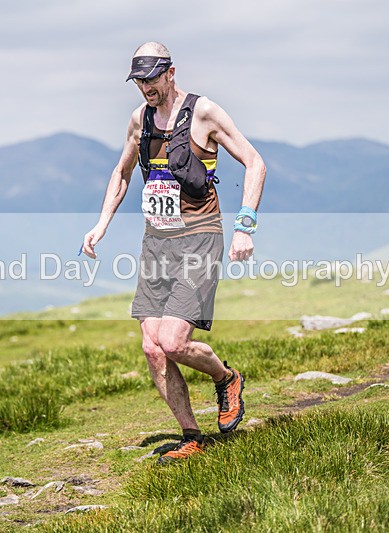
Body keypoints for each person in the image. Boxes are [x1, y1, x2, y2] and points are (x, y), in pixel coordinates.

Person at [82, 42, 266, 464]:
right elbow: (122, 171)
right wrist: (101, 224)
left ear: (170, 72)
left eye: (151, 79)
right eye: (139, 81)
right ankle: (191, 436)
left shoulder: (204, 113)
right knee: (152, 347)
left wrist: (245, 226)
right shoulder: (140, 120)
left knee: (174, 341)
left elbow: (255, 163)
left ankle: (226, 378)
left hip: (200, 238)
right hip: (157, 243)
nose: (146, 88)